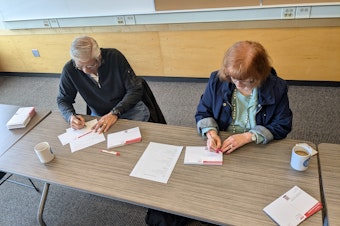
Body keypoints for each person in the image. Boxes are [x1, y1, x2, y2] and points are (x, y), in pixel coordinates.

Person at [195, 40, 293, 154]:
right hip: (223, 139)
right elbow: (203, 111)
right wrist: (211, 133)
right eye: (234, 78)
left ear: (259, 75)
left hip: (257, 144)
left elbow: (282, 125)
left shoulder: (277, 88)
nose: (238, 85)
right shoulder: (217, 80)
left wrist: (248, 136)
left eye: (248, 81)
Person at [57, 36, 151, 133]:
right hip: (100, 114)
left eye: (91, 65)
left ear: (99, 57)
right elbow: (63, 100)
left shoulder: (114, 57)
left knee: (133, 139)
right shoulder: (69, 70)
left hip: (128, 108)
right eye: (80, 67)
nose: (86, 71)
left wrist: (115, 113)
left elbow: (134, 89)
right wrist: (70, 116)